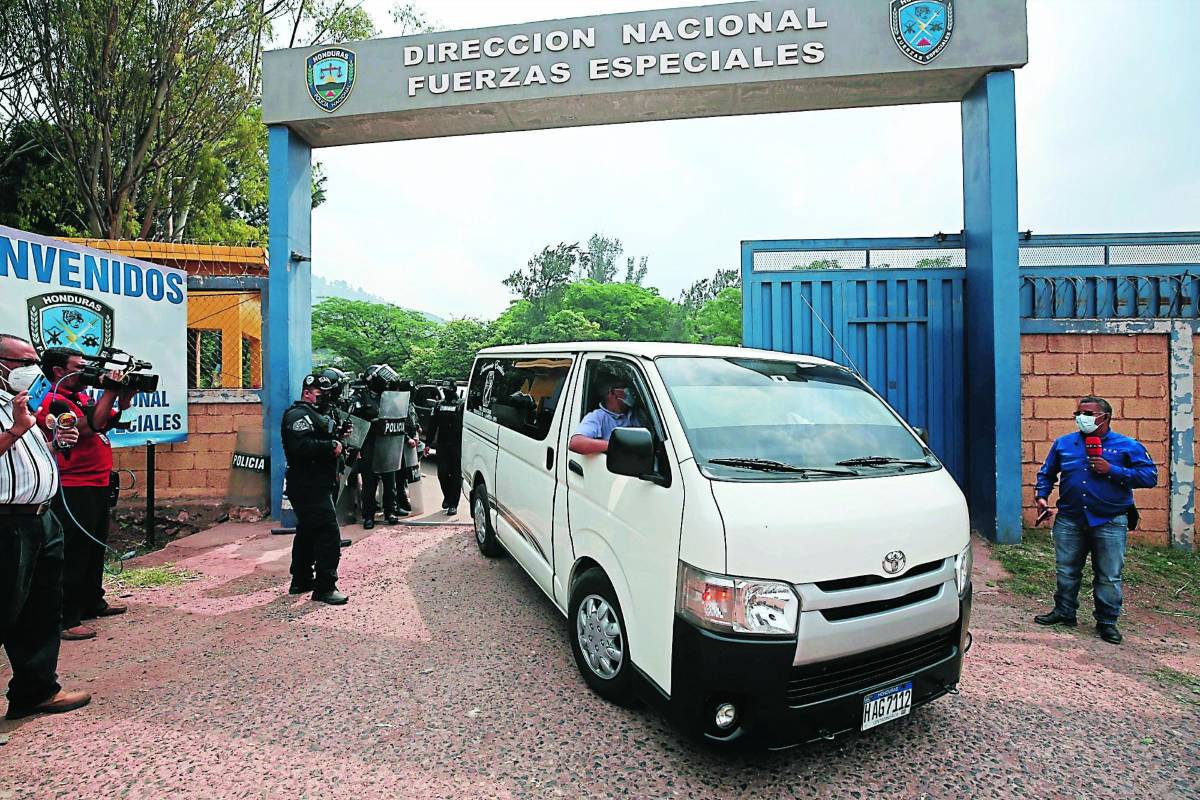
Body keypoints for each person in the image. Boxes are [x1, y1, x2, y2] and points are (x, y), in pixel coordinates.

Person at [0, 333, 91, 720]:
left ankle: (35, 691)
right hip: (6, 524)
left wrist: (54, 441)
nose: (32, 370)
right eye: (23, 362)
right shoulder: (16, 414)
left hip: (41, 517)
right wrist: (18, 429)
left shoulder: (16, 404)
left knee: (40, 610)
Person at [1033, 395, 1158, 644]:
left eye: (1088, 414)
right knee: (1066, 570)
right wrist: (1041, 496)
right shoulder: (1064, 444)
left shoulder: (1127, 446)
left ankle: (1107, 622)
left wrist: (1111, 470)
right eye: (1079, 414)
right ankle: (1065, 612)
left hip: (1110, 520)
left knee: (1108, 575)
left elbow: (1149, 476)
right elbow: (1047, 473)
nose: (1082, 418)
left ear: (1105, 417)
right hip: (1070, 518)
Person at [38, 346, 133, 641]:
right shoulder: (53, 401)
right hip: (74, 485)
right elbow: (88, 427)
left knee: (94, 546)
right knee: (75, 550)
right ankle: (67, 618)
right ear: (58, 371)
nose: (87, 373)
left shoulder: (77, 397)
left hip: (97, 482)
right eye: (79, 367)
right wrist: (109, 392)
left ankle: (92, 600)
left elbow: (104, 421)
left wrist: (120, 399)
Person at [283, 369, 351, 605]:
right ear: (308, 393)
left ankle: (301, 579)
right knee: (327, 534)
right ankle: (325, 586)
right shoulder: (298, 415)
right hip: (307, 484)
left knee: (308, 531)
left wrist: (340, 436)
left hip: (320, 482)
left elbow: (326, 436)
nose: (327, 398)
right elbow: (300, 447)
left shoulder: (320, 413)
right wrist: (330, 445)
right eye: (322, 394)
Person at [568, 379, 641, 455]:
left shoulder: (636, 412)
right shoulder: (597, 417)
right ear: (612, 392)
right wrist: (619, 445)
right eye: (625, 387)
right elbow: (576, 443)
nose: (630, 391)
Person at [425, 379, 463, 514]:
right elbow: (432, 426)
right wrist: (427, 444)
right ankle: (447, 496)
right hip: (442, 444)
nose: (447, 392)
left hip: (457, 445)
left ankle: (454, 503)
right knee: (442, 473)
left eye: (449, 390)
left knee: (455, 475)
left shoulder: (461, 405)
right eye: (444, 390)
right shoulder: (439, 405)